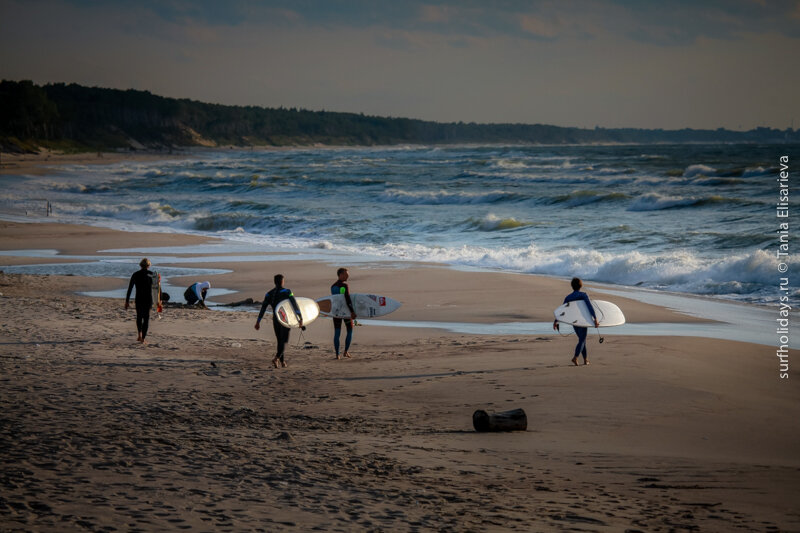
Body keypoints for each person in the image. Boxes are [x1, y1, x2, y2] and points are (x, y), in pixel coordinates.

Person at [254, 274, 303, 368]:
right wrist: (300, 317)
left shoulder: (269, 294)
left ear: (274, 282)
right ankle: (276, 358)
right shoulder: (288, 292)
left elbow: (263, 308)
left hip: (276, 319)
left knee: (279, 341)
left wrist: (258, 321)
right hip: (285, 319)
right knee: (284, 341)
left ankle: (282, 362)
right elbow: (294, 304)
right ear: (282, 282)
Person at [553, 277, 599, 366]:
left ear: (572, 286)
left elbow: (562, 310)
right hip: (582, 320)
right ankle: (575, 357)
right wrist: (595, 318)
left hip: (574, 321)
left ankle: (586, 360)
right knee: (582, 339)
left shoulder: (568, 297)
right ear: (580, 285)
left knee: (582, 340)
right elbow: (589, 307)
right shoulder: (583, 295)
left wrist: (556, 321)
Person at [125, 258, 159, 344]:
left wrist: (127, 301)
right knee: (146, 318)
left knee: (139, 317)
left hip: (139, 298)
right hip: (148, 299)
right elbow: (156, 290)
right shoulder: (152, 275)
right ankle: (143, 339)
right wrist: (157, 302)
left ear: (140, 265)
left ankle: (139, 335)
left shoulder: (135, 274)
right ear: (149, 265)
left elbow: (130, 288)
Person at [331, 267, 357, 359]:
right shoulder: (344, 286)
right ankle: (345, 351)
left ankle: (337, 354)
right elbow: (347, 299)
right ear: (341, 275)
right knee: (349, 330)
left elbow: (335, 300)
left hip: (336, 312)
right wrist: (352, 312)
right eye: (346, 274)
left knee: (337, 332)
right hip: (345, 312)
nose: (348, 276)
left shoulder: (333, 286)